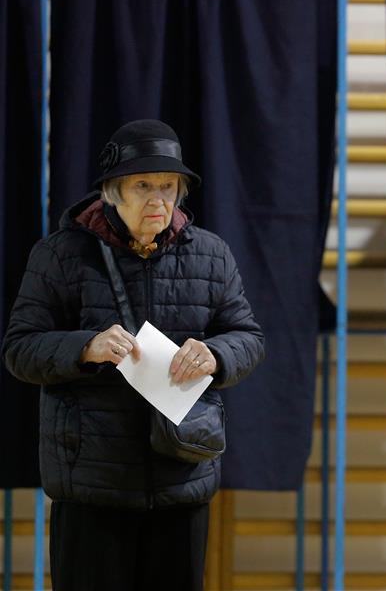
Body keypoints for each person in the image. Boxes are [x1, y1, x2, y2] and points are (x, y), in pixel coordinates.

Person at [2, 119, 265, 591]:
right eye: (143, 185)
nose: (158, 198)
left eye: (168, 186)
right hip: (91, 486)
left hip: (181, 480)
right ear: (111, 191)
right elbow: (19, 348)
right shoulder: (61, 255)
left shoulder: (211, 254)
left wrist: (217, 355)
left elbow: (248, 335)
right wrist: (84, 347)